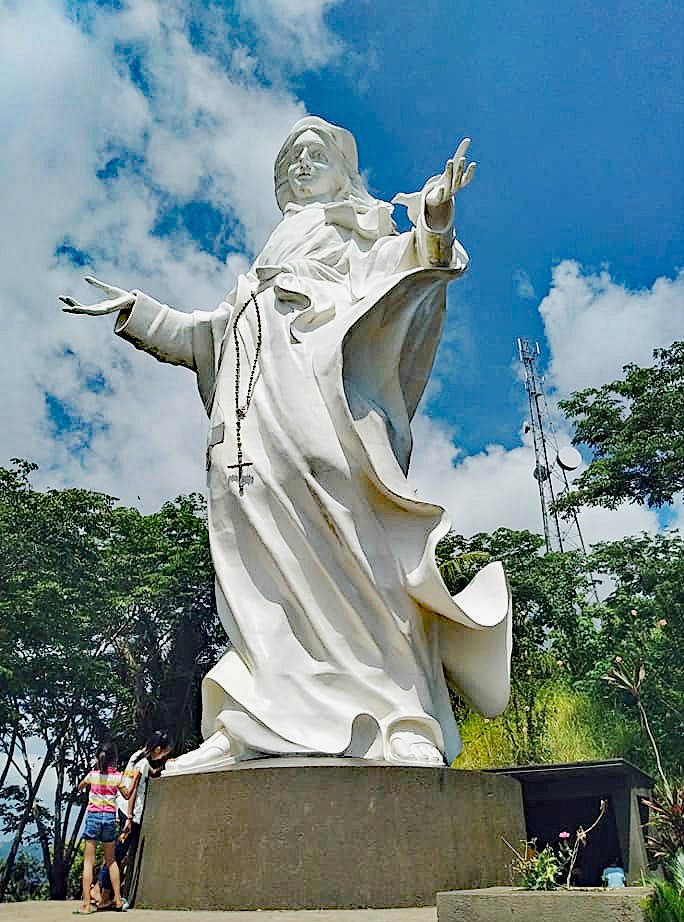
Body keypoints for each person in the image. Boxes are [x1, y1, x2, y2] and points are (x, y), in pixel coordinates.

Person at [61, 116, 512, 773]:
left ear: (344, 169)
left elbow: (418, 264)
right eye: (290, 159)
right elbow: (205, 340)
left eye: (314, 155)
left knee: (357, 544)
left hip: (324, 403)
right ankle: (254, 716)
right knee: (258, 564)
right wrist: (138, 311)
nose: (300, 167)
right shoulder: (257, 276)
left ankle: (402, 715)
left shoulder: (358, 232)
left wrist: (435, 224)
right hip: (248, 429)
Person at [93, 731, 172, 909]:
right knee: (118, 855)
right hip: (131, 813)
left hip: (121, 808)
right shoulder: (143, 763)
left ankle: (99, 890)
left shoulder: (137, 756)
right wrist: (129, 818)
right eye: (165, 752)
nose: (165, 754)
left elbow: (149, 773)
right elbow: (134, 791)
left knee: (116, 854)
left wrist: (165, 766)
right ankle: (104, 896)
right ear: (158, 749)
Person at [75, 742, 134, 914]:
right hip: (109, 819)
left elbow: (80, 785)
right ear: (114, 758)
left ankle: (86, 905)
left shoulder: (92, 775)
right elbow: (127, 794)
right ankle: (116, 900)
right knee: (111, 861)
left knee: (88, 862)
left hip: (93, 817)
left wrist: (88, 786)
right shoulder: (118, 776)